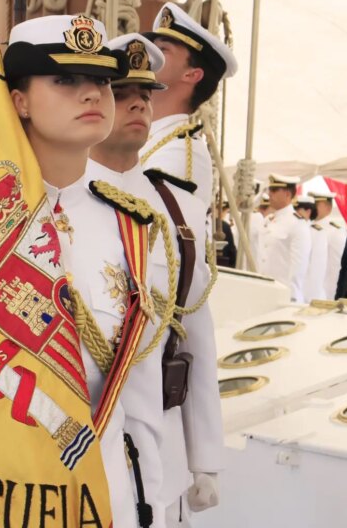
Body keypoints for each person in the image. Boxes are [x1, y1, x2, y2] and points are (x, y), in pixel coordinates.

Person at [4, 15, 166, 528]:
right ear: (19, 101)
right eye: (66, 80)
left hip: (105, 496)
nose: (92, 93)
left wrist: (151, 505)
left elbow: (138, 397)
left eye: (100, 80)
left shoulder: (131, 226)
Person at [88, 33, 224, 527]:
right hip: (75, 442)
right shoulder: (53, 201)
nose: (138, 106)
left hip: (159, 451)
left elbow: (195, 334)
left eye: (145, 94)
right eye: (121, 94)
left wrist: (204, 454)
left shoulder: (177, 208)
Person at [140, 2, 238, 209]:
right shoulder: (146, 136)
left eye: (162, 49)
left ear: (192, 74)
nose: (148, 56)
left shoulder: (183, 151)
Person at [257, 174, 311, 301]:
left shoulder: (297, 224)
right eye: (270, 190)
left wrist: (291, 296)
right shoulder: (268, 220)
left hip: (283, 295)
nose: (270, 193)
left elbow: (298, 266)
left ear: (287, 193)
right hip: (263, 291)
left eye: (275, 190)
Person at [311, 191, 346, 298]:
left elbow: (337, 265)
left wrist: (331, 293)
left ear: (328, 207)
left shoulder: (335, 231)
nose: (312, 208)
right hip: (308, 288)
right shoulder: (306, 226)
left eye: (316, 205)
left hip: (324, 291)